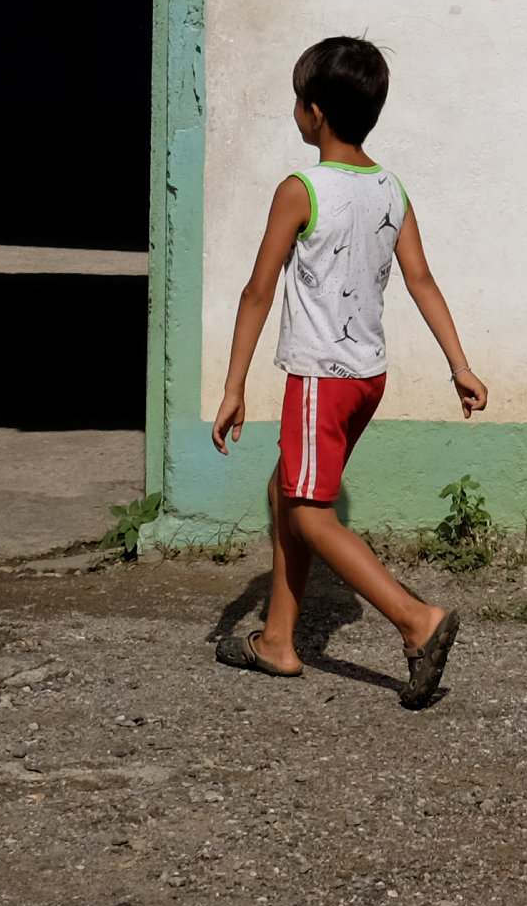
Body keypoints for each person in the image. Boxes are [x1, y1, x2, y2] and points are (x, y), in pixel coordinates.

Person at [209, 35, 488, 709]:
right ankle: (278, 639)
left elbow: (257, 290)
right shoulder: (390, 188)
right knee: (289, 492)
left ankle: (415, 621)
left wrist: (233, 385)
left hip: (320, 377)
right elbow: (419, 277)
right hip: (367, 378)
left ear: (314, 113)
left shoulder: (299, 189)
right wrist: (460, 363)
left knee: (308, 512)